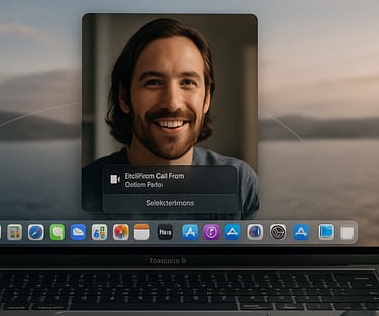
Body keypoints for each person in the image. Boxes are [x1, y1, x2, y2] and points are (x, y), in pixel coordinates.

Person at [82, 17, 259, 218]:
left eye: (187, 82)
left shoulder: (240, 184)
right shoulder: (84, 192)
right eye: (153, 82)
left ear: (207, 97)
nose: (172, 103)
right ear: (124, 98)